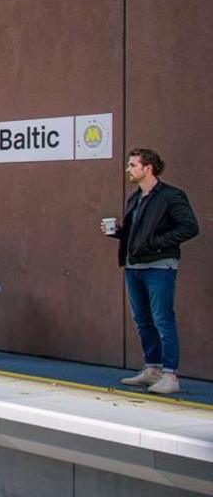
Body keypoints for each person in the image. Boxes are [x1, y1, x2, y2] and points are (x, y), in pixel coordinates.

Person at [109, 148, 199, 395]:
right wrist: (118, 233)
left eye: (132, 165)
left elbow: (190, 227)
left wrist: (156, 242)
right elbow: (136, 232)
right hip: (133, 266)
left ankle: (170, 375)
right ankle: (153, 368)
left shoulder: (170, 196)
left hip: (159, 266)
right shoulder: (135, 198)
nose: (128, 169)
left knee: (162, 319)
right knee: (143, 320)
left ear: (148, 168)